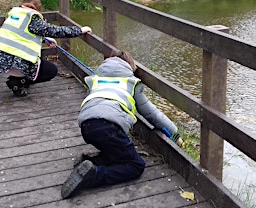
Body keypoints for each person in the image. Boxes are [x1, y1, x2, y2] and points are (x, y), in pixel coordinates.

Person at [60, 50, 184, 199]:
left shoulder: (95, 80)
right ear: (130, 66)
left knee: (117, 152)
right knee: (136, 165)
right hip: (109, 127)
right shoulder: (130, 83)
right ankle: (93, 176)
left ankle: (90, 162)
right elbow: (152, 114)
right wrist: (174, 134)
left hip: (86, 126)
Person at [0, 0, 92, 96]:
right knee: (51, 71)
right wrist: (80, 30)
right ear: (38, 9)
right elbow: (56, 30)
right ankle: (17, 82)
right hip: (14, 63)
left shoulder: (14, 15)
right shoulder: (33, 18)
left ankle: (17, 79)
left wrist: (44, 39)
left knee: (36, 64)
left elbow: (20, 34)